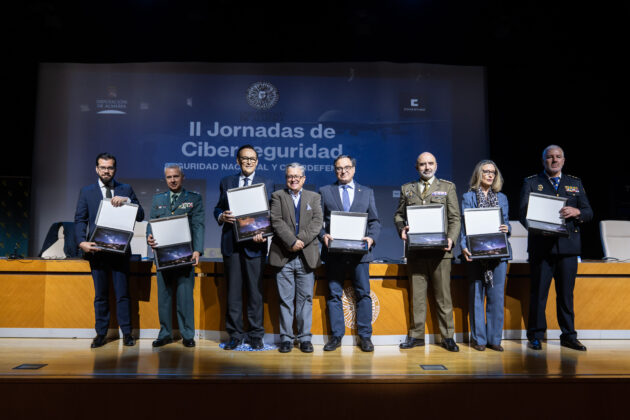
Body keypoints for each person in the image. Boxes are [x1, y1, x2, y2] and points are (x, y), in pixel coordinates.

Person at [519, 145, 593, 351]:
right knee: (539, 294)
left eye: (558, 157)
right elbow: (523, 214)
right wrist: (538, 227)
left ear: (564, 160)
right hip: (541, 248)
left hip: (568, 249)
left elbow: (589, 212)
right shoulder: (531, 182)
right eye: (550, 157)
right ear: (543, 161)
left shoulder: (574, 183)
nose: (554, 160)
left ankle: (568, 335)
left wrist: (577, 212)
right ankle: (535, 335)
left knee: (566, 295)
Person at [74, 152, 144, 348]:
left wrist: (127, 201)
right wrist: (81, 242)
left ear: (115, 169)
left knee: (123, 294)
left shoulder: (125, 189)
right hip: (97, 252)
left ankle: (127, 333)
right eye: (103, 167)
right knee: (101, 295)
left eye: (110, 167)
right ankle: (101, 334)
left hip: (120, 252)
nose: (106, 171)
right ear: (97, 169)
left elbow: (140, 215)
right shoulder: (86, 191)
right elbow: (80, 220)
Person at [394, 152, 461, 352]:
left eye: (430, 163)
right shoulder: (407, 189)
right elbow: (398, 215)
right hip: (416, 252)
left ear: (436, 165)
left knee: (443, 297)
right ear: (417, 167)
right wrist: (401, 228)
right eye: (422, 164)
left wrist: (451, 239)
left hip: (441, 253)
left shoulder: (447, 187)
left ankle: (447, 337)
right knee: (417, 297)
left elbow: (455, 218)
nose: (427, 167)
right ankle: (416, 336)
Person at [213, 145, 274, 350]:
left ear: (257, 162)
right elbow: (218, 207)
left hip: (255, 245)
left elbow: (271, 214)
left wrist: (263, 232)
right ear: (237, 161)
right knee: (233, 293)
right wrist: (221, 216)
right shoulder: (227, 182)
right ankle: (235, 335)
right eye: (245, 158)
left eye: (252, 159)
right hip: (232, 244)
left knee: (255, 293)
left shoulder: (267, 183)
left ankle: (256, 335)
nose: (249, 162)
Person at [319, 155, 381, 352]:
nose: (343, 171)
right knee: (333, 295)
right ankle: (336, 336)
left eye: (347, 167)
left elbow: (374, 221)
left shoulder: (367, 192)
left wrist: (371, 238)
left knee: (363, 294)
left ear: (353, 169)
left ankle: (365, 337)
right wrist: (323, 235)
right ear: (334, 170)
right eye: (339, 168)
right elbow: (317, 221)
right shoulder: (325, 191)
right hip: (334, 254)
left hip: (360, 254)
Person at [146, 164, 204, 348]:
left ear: (182, 177)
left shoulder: (194, 198)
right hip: (162, 256)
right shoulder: (158, 199)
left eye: (176, 176)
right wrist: (149, 236)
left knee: (185, 298)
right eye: (169, 177)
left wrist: (197, 250)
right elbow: (151, 224)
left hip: (185, 256)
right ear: (165, 179)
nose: (172, 180)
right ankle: (165, 334)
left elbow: (198, 225)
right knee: (164, 298)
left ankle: (187, 335)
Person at [269, 163, 323, 353]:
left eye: (297, 176)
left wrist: (300, 241)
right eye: (290, 176)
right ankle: (286, 338)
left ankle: (305, 338)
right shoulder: (277, 196)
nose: (293, 179)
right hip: (283, 255)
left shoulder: (314, 197)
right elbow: (276, 221)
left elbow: (317, 222)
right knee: (285, 299)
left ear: (303, 179)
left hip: (306, 256)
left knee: (305, 299)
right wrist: (291, 241)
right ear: (286, 178)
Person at [460, 160, 511, 352]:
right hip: (476, 253)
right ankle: (479, 339)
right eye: (486, 171)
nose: (490, 175)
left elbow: (506, 222)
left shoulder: (502, 198)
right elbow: (464, 225)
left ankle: (494, 339)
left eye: (493, 172)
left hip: (498, 254)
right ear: (478, 174)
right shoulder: (468, 197)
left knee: (496, 298)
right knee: (476, 296)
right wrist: (464, 246)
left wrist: (507, 228)